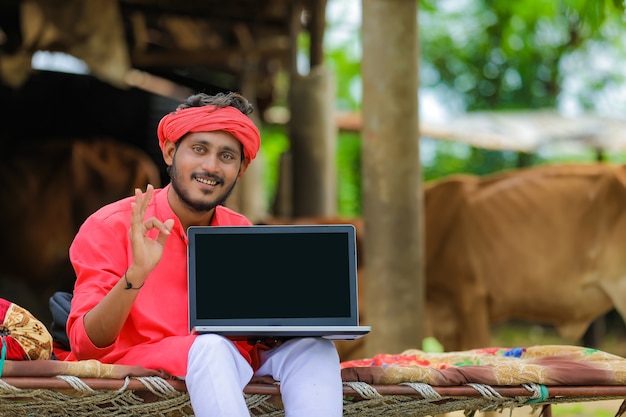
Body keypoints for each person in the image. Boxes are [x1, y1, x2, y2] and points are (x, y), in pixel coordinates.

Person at [64, 92, 343, 416]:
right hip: (139, 374)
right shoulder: (110, 226)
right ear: (170, 152)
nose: (210, 166)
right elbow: (84, 345)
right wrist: (135, 275)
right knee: (210, 346)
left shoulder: (243, 233)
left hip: (231, 364)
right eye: (199, 149)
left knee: (317, 349)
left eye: (226, 156)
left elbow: (256, 341)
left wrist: (292, 320)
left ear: (242, 168)